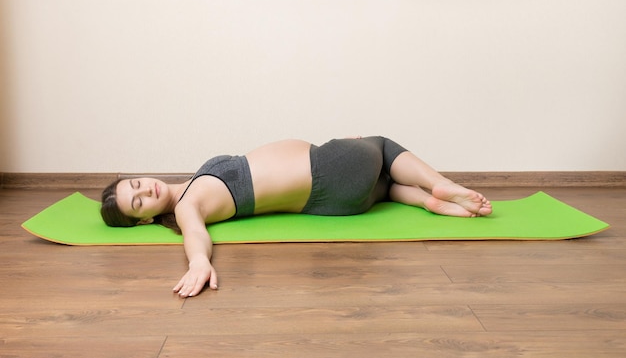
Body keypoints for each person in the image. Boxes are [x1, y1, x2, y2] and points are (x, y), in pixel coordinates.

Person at [100, 136, 492, 298]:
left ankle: (427, 202)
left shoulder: (191, 186)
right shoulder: (187, 205)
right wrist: (199, 262)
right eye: (137, 202)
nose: (143, 189)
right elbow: (195, 234)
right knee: (383, 147)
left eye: (135, 183)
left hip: (336, 203)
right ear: (144, 221)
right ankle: (442, 186)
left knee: (385, 186)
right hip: (330, 168)